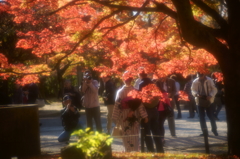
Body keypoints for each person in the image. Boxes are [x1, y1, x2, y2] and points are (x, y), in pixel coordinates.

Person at [112, 71, 148, 152]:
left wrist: (114, 117)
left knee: (126, 134)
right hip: (134, 114)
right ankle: (135, 152)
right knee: (134, 135)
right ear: (131, 80)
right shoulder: (135, 90)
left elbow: (117, 105)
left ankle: (127, 152)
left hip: (124, 115)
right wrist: (144, 116)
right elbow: (140, 105)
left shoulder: (120, 92)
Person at [138, 70, 164, 153]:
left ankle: (151, 151)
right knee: (156, 131)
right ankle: (160, 150)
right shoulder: (153, 83)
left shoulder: (141, 84)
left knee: (146, 132)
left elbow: (139, 99)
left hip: (146, 110)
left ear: (139, 75)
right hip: (154, 109)